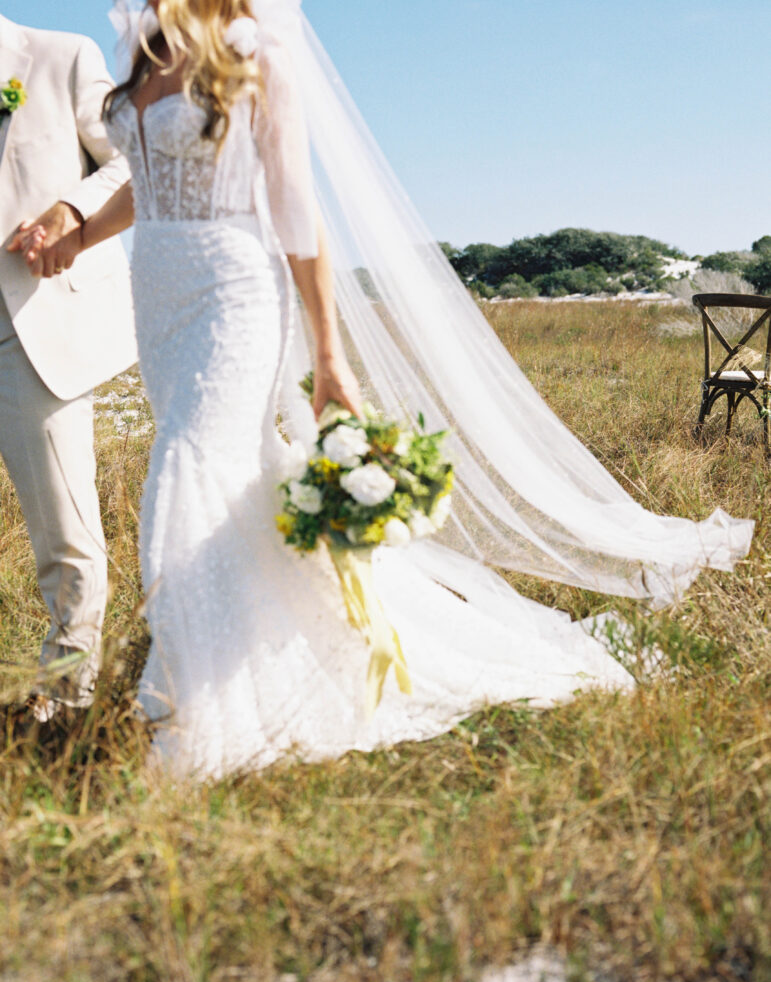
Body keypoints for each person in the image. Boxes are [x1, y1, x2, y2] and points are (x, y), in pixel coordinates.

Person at [33, 0, 753, 778]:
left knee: (181, 473)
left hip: (230, 298)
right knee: (235, 483)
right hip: (158, 300)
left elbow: (293, 207)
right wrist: (79, 233)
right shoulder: (147, 47)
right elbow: (149, 176)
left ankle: (191, 714)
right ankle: (282, 658)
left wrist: (330, 356)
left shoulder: (255, 54)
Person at [0, 13, 136, 712]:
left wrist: (71, 211)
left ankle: (65, 704)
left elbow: (136, 156)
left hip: (27, 328)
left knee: (65, 535)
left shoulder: (59, 56)